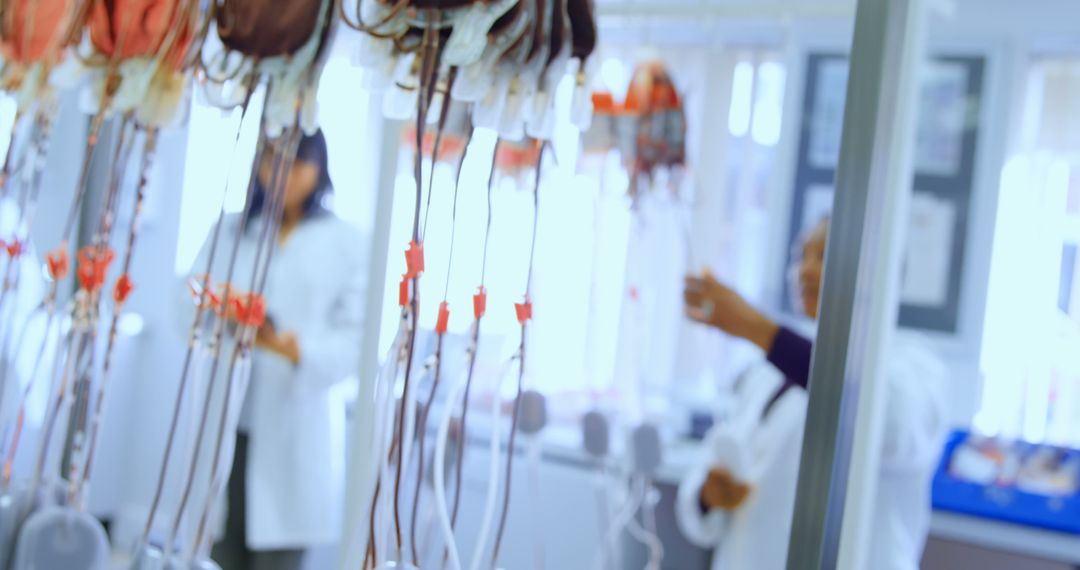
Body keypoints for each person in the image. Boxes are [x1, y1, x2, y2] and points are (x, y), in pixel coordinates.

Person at [676, 220, 948, 570]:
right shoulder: (768, 373)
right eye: (800, 255)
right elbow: (715, 466)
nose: (804, 269)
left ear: (878, 273)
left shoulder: (912, 366)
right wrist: (707, 497)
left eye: (824, 256)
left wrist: (758, 329)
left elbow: (886, 423)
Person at [185, 130, 367, 570]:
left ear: (320, 168)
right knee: (220, 548)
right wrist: (221, 310)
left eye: (298, 162)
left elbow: (356, 341)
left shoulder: (347, 242)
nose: (283, 172)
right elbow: (188, 296)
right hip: (231, 414)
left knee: (277, 554)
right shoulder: (231, 230)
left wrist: (292, 348)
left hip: (295, 415)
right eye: (272, 159)